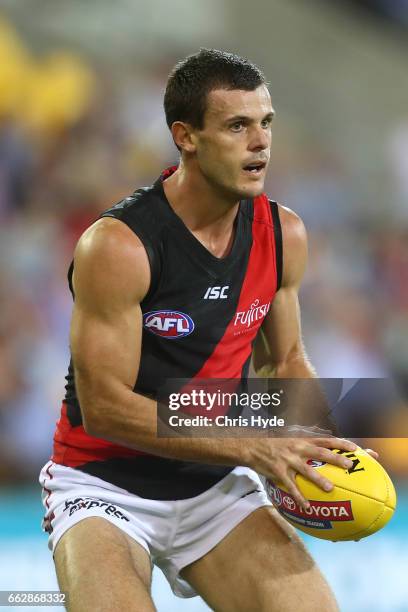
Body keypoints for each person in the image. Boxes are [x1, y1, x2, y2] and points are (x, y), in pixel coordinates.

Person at [40, 49, 374, 612]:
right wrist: (250, 443)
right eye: (237, 125)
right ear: (186, 136)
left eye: (266, 123)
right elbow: (104, 408)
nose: (260, 142)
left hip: (216, 487)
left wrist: (315, 445)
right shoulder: (120, 245)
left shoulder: (282, 232)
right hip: (103, 487)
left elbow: (286, 360)